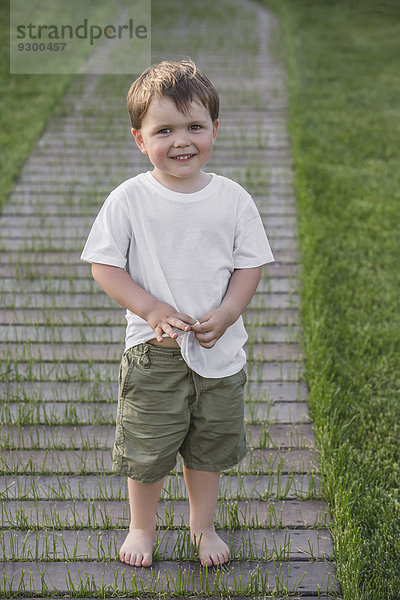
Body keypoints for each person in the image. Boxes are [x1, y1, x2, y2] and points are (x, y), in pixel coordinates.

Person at [80, 58, 274, 569]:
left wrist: (230, 311)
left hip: (219, 351)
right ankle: (141, 527)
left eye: (194, 127)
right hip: (154, 352)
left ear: (215, 129)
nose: (181, 140)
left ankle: (202, 526)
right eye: (164, 130)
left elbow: (248, 265)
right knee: (147, 448)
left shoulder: (232, 199)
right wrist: (150, 308)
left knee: (208, 445)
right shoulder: (130, 200)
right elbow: (105, 265)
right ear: (139, 139)